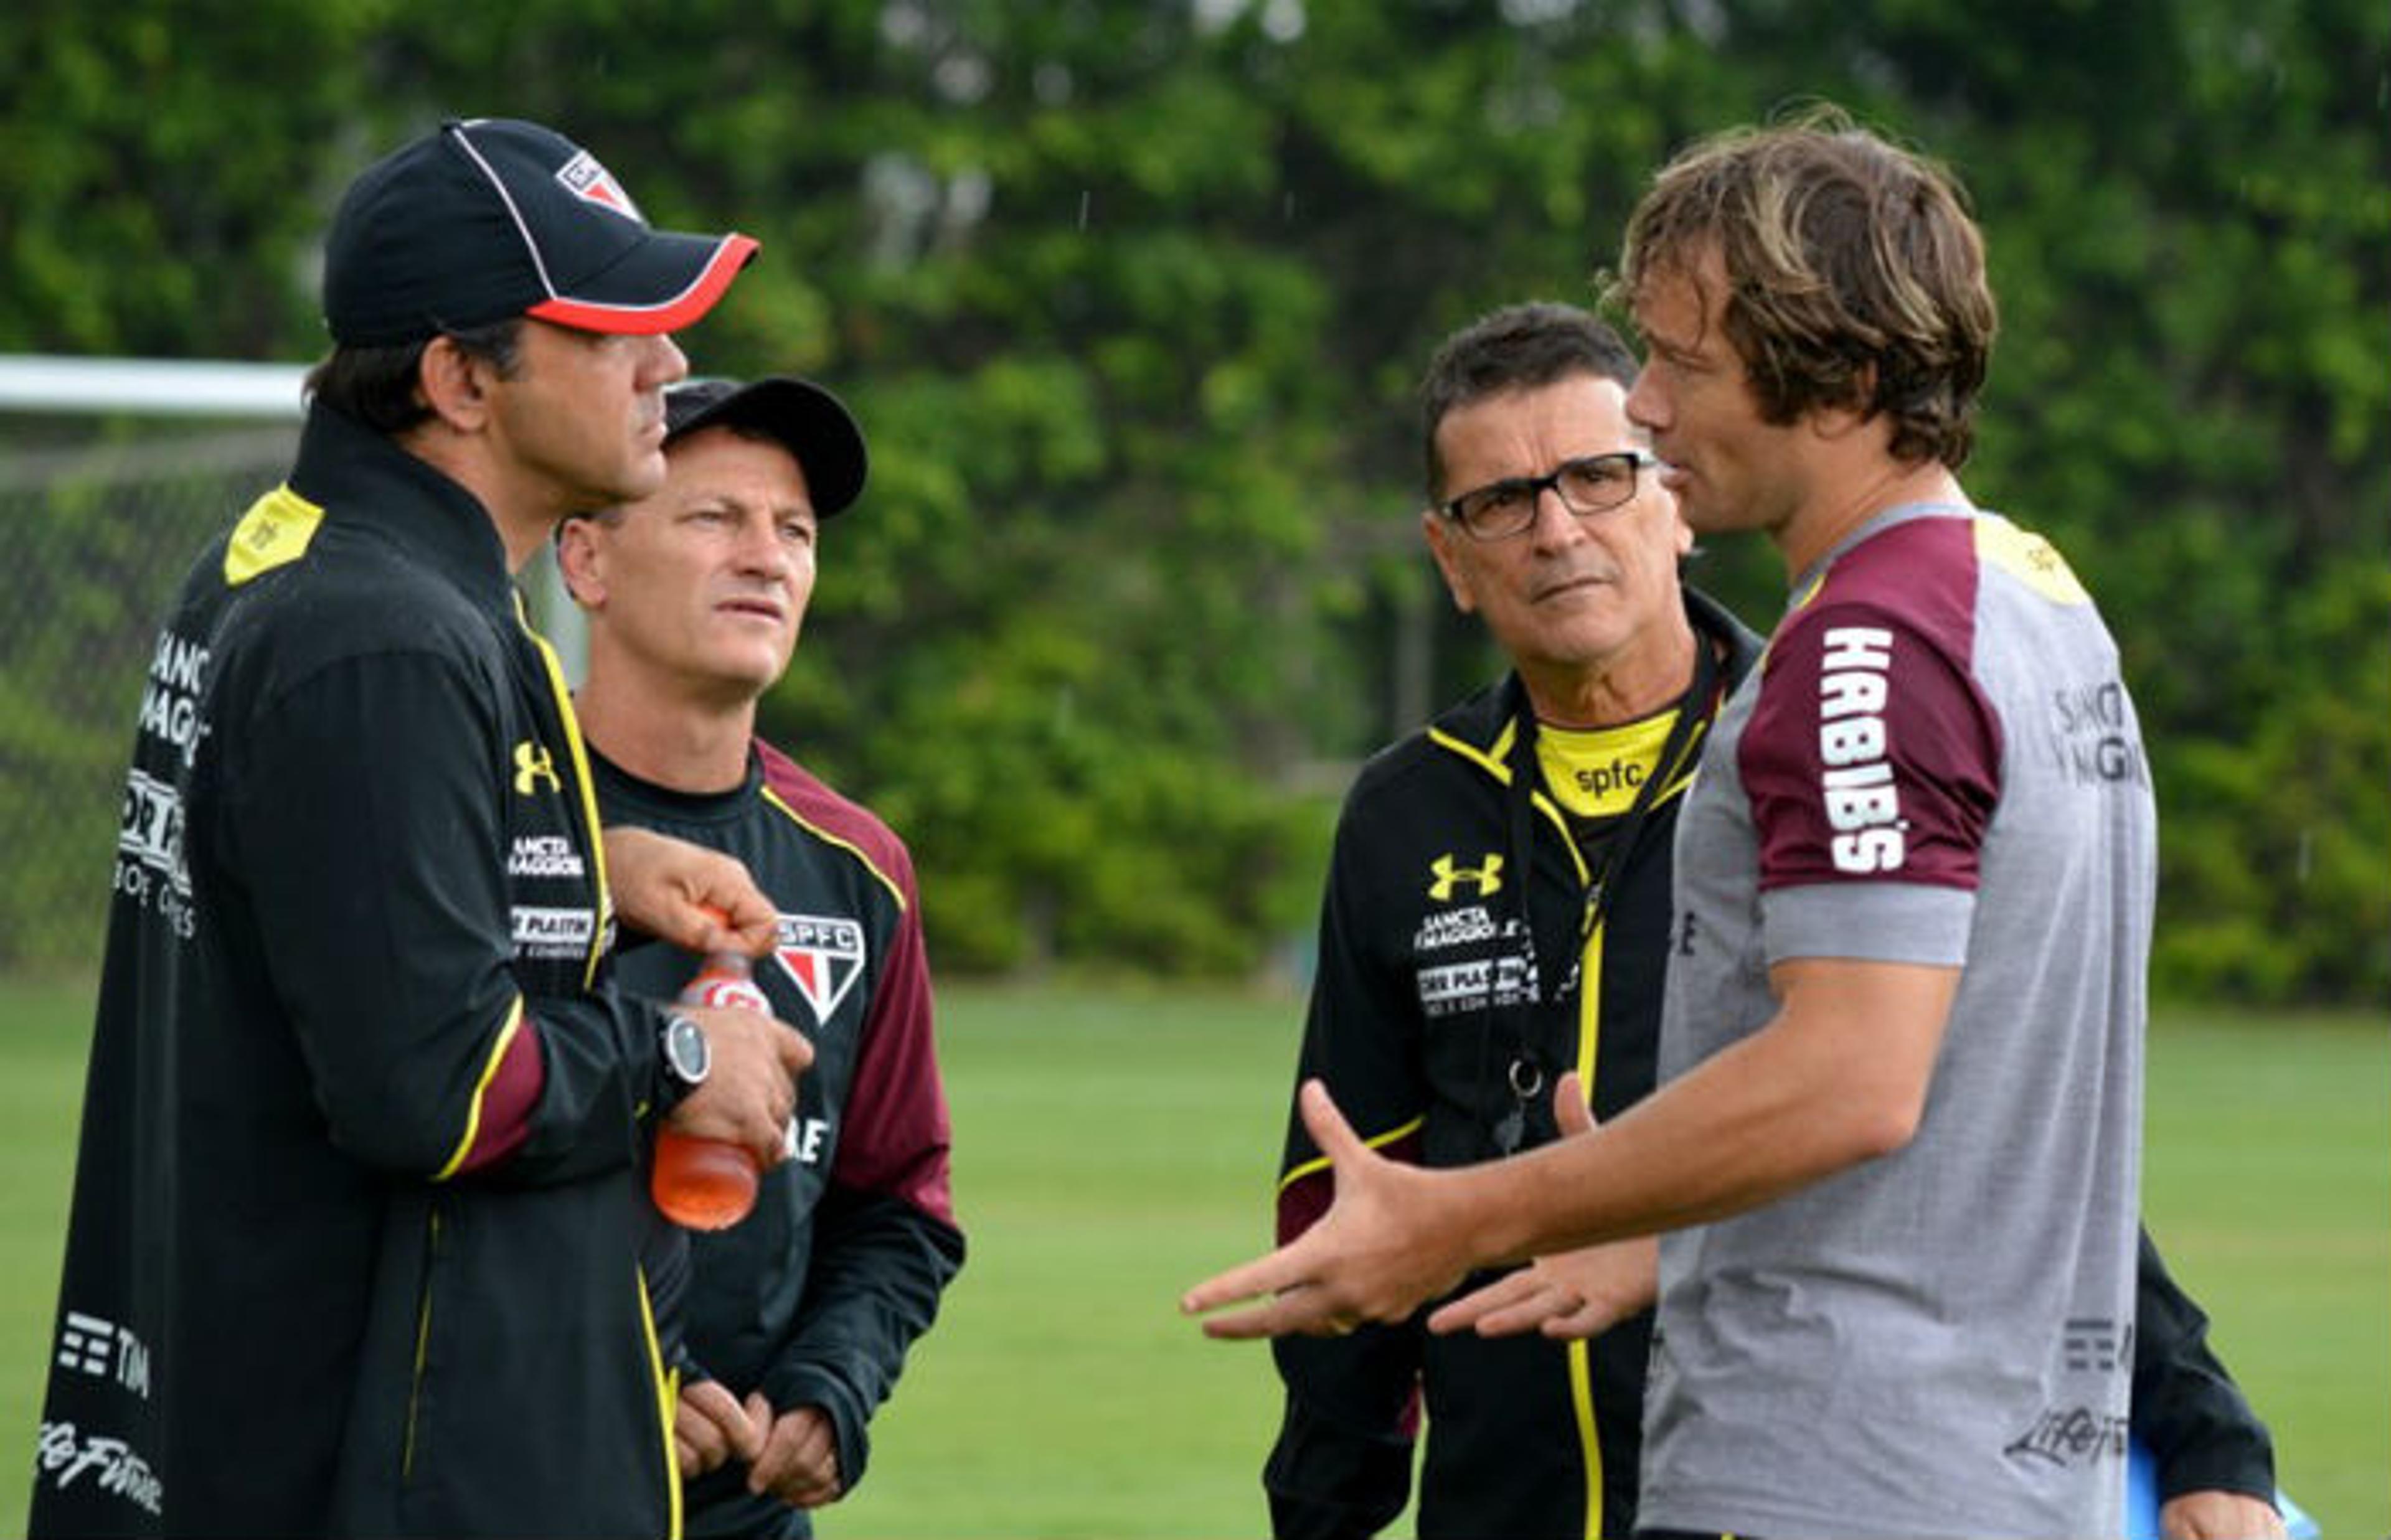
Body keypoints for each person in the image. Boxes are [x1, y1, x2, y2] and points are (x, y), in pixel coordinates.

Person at [1189, 108, 2262, 1539]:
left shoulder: (1861, 657)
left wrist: (1471, 1214)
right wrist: (1667, 1240)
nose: (1645, 407)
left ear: (1845, 373)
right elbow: (1977, 1098)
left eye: (1685, 364)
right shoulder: (2036, 600)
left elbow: (1853, 1079)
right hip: (1999, 1476)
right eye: (1506, 502)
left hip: (1833, 1477)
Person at [32, 118, 813, 1539]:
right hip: (371, 1468)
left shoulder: (306, 563)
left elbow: (329, 909)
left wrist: (589, 875)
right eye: (614, 331)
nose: (666, 369)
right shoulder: (382, 639)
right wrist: (689, 1052)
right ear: (460, 379)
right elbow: (437, 1090)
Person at [556, 375, 964, 1538]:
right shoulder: (492, 818)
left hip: (748, 1516)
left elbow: (899, 1204)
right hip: (510, 1484)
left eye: (794, 531)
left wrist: (831, 1390)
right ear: (586, 561)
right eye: (713, 518)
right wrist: (625, 1379)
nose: (767, 556)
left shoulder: (860, 867)